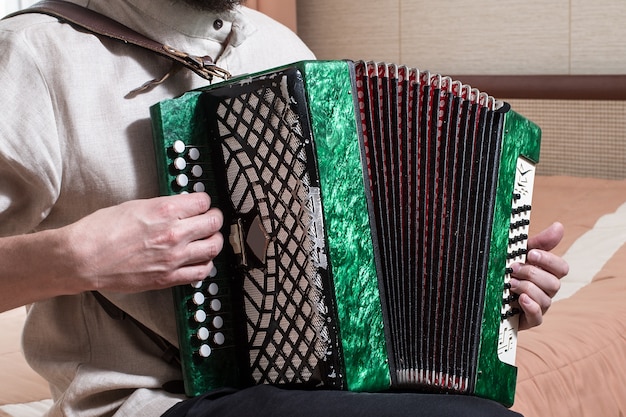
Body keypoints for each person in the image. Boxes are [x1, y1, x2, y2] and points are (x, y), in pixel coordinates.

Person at [0, 0, 569, 416]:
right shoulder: (36, 53)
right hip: (151, 401)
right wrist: (76, 255)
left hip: (322, 386)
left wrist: (493, 290)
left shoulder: (280, 49)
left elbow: (352, 251)